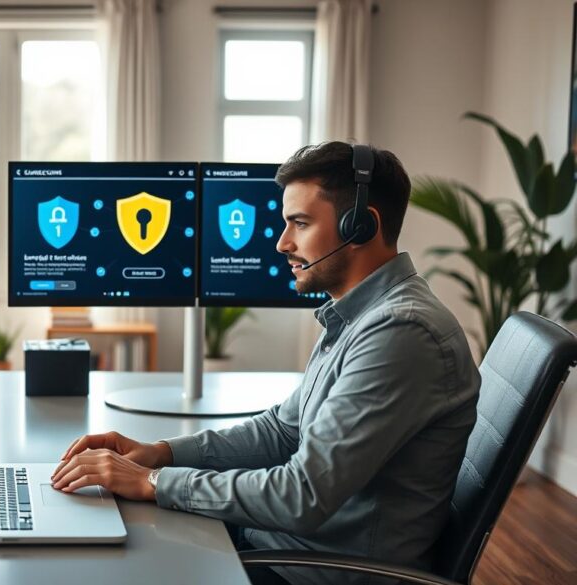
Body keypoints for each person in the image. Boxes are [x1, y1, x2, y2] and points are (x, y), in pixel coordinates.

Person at [51, 142, 480, 585]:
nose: (282, 243)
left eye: (301, 223)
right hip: (280, 546)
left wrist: (154, 481)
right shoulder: (360, 315)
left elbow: (302, 495)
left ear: (360, 227)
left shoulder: (400, 332)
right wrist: (161, 453)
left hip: (312, 572)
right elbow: (282, 430)